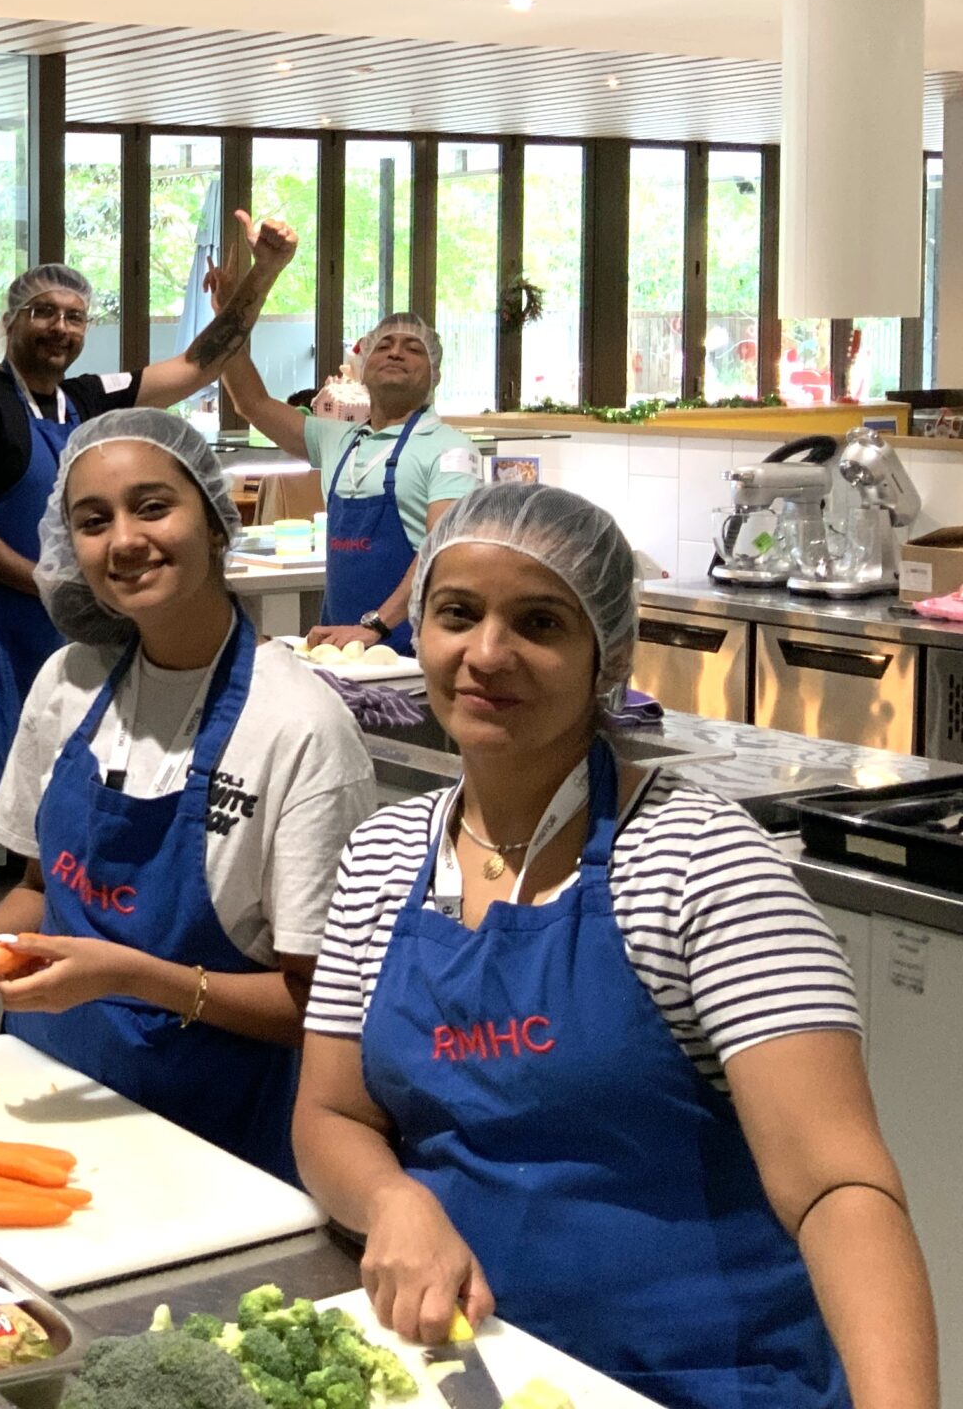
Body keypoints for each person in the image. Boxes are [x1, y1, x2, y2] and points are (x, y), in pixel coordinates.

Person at [295, 484, 934, 1407]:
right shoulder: (385, 856)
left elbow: (837, 1186)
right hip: (469, 1371)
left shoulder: (699, 862)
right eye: (457, 614)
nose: (487, 653)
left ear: (607, 658)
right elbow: (333, 1117)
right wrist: (395, 1201)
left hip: (706, 1381)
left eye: (540, 622)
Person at [0, 409, 375, 1183]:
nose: (124, 541)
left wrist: (131, 976)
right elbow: (43, 890)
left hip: (213, 1150)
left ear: (214, 522)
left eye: (152, 507)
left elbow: (316, 1008)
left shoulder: (299, 727)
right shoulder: (68, 684)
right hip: (48, 1106)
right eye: (92, 520)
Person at [0, 213, 301, 921]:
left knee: (56, 831)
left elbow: (201, 363)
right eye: (43, 312)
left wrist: (265, 273)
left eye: (74, 316)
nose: (60, 327)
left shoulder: (88, 400)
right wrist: (50, 584)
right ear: (10, 321)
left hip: (64, 650)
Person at [223, 311, 480, 654]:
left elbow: (444, 549)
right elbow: (251, 402)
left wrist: (376, 625)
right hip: (341, 645)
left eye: (413, 348)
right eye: (383, 345)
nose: (395, 352)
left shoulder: (450, 447)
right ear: (362, 368)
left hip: (415, 652)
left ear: (435, 373)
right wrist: (228, 316)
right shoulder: (337, 440)